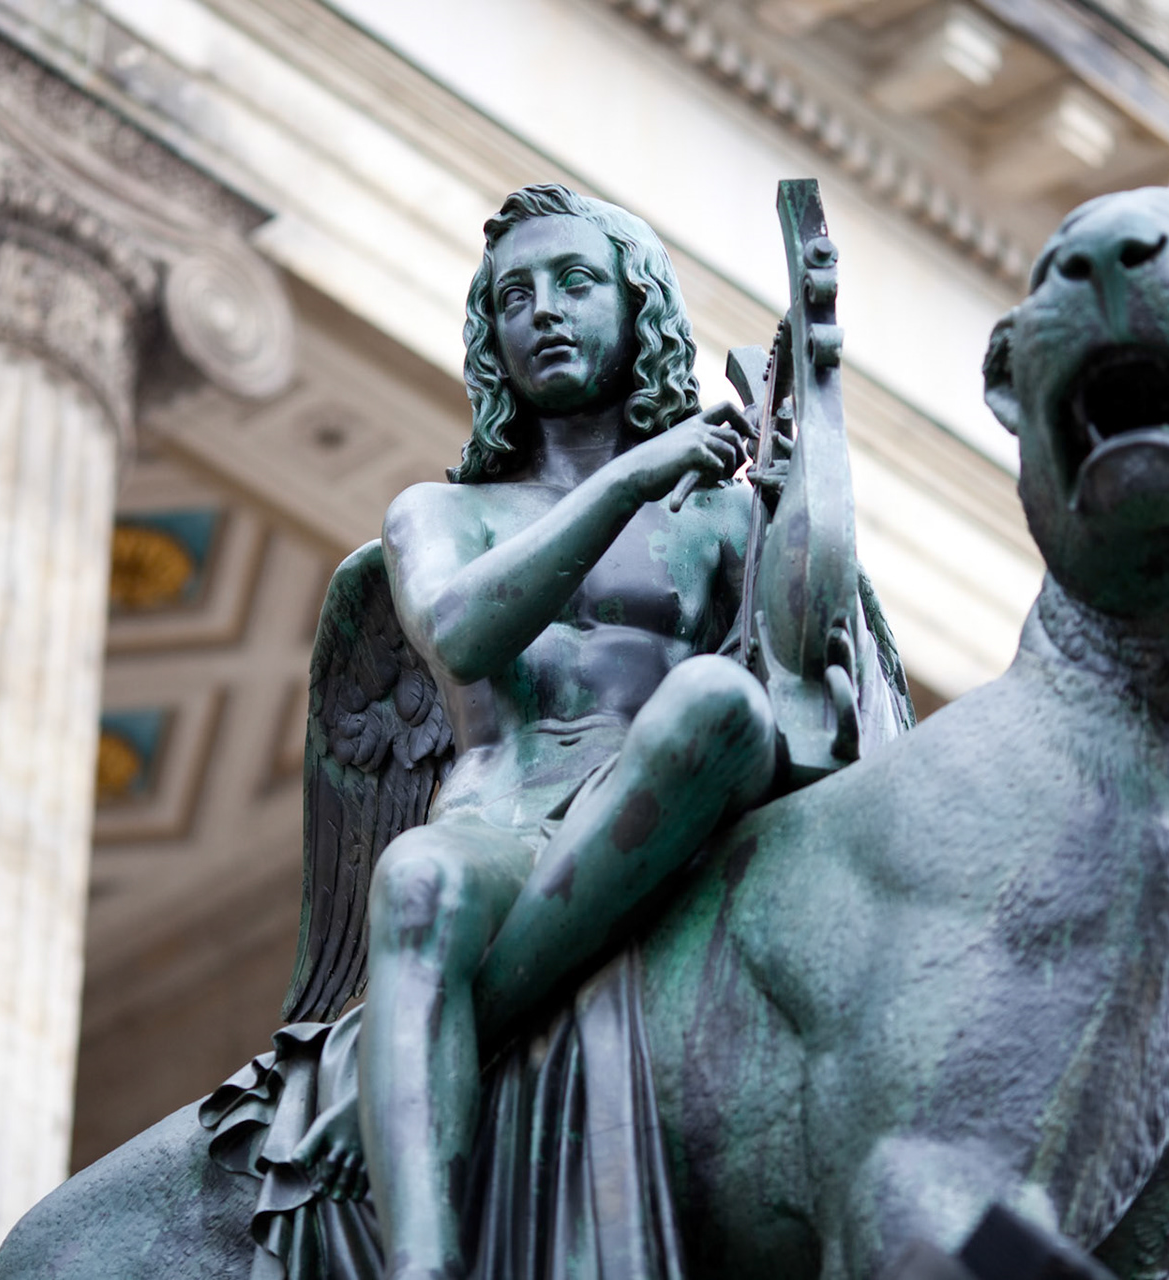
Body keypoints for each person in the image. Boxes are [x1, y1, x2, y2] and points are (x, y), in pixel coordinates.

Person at [350, 184, 778, 1280]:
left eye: (576, 282)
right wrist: (635, 474)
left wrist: (804, 495)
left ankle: (475, 1009)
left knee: (721, 704)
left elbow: (806, 685)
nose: (542, 310)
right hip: (505, 823)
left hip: (665, 801)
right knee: (414, 881)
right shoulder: (441, 514)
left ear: (638, 309)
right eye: (513, 297)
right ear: (491, 340)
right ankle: (424, 1262)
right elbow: (463, 635)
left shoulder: (721, 517)